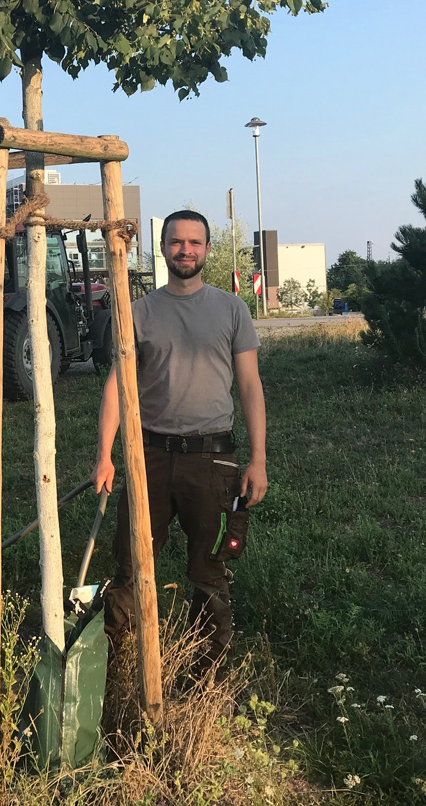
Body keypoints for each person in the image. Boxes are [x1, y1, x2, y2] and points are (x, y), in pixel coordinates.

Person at [92, 209, 268, 674]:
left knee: (209, 573)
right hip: (149, 457)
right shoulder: (140, 312)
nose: (185, 249)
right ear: (163, 248)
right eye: (176, 242)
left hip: (214, 460)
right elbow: (117, 384)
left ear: (207, 249)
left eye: (194, 242)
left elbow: (250, 385)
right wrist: (105, 455)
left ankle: (206, 676)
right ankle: (118, 669)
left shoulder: (232, 310)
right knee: (130, 566)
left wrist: (259, 459)